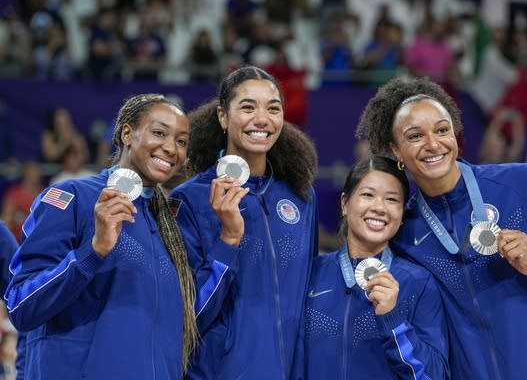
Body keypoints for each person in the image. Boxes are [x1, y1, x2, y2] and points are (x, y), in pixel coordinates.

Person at [355, 77, 527, 379]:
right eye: (415, 136)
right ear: (396, 152)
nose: (433, 144)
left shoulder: (525, 185)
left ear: (456, 135)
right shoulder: (404, 234)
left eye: (442, 130)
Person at [4, 94, 237, 379]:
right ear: (127, 133)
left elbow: (190, 318)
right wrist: (92, 252)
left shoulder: (169, 228)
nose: (170, 148)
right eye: (159, 133)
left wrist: (228, 241)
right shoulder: (75, 198)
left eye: (181, 141)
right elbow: (22, 306)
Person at [170, 66, 319, 379]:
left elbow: (307, 293)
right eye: (248, 107)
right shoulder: (191, 199)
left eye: (273, 108)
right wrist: (228, 241)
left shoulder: (301, 197)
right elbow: (186, 315)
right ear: (223, 117)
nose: (262, 119)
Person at [304, 156, 450, 379]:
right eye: (367, 195)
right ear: (345, 203)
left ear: (402, 216)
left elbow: (434, 376)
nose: (379, 208)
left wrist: (393, 320)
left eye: (392, 200)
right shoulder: (311, 274)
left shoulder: (418, 282)